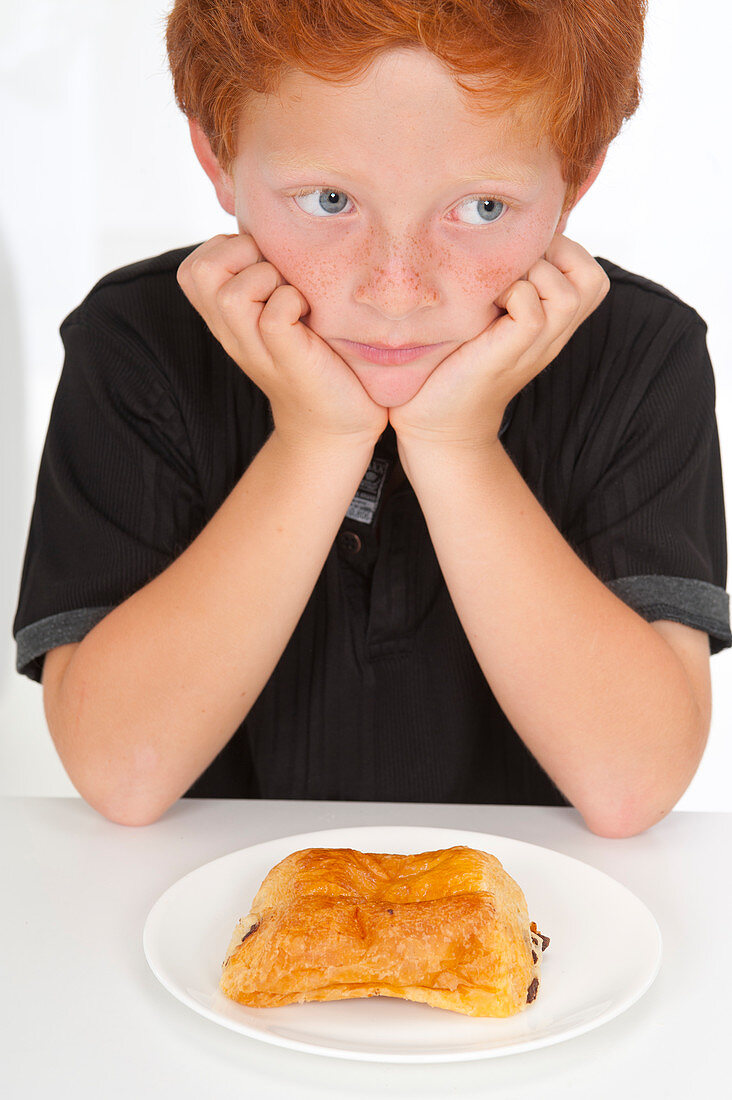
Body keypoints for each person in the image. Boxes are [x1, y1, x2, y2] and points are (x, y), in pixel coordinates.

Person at [13, 0, 730, 836]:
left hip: (529, 937)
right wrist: (317, 437)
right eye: (327, 200)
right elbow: (121, 772)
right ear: (217, 154)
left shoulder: (643, 356)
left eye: (484, 209)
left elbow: (630, 787)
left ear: (577, 178)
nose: (396, 291)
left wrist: (455, 444)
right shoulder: (137, 342)